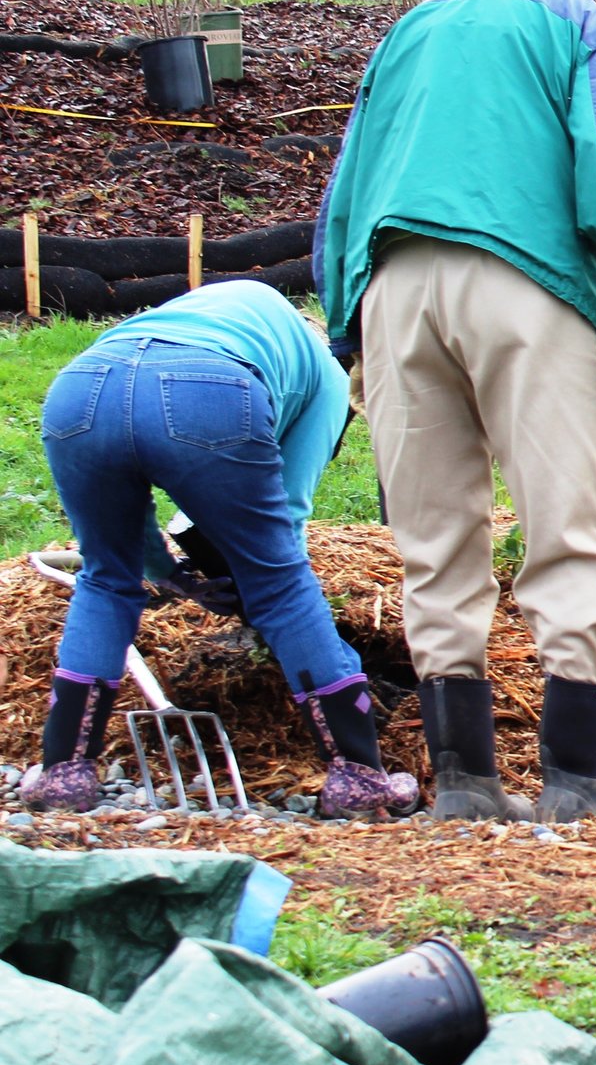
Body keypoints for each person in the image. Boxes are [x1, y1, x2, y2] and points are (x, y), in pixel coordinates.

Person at [315, 0, 596, 824]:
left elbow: (346, 189)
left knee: (434, 538)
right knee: (570, 526)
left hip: (391, 290)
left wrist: (346, 329)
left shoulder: (409, 29)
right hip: (529, 280)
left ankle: (467, 784)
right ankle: (580, 781)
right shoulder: (586, 24)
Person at [25, 280, 416, 817]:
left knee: (105, 578)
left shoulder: (211, 312)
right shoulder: (326, 374)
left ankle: (64, 773)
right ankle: (358, 774)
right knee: (280, 583)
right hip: (207, 390)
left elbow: (131, 543)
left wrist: (170, 574)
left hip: (83, 385)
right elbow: (290, 517)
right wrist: (262, 597)